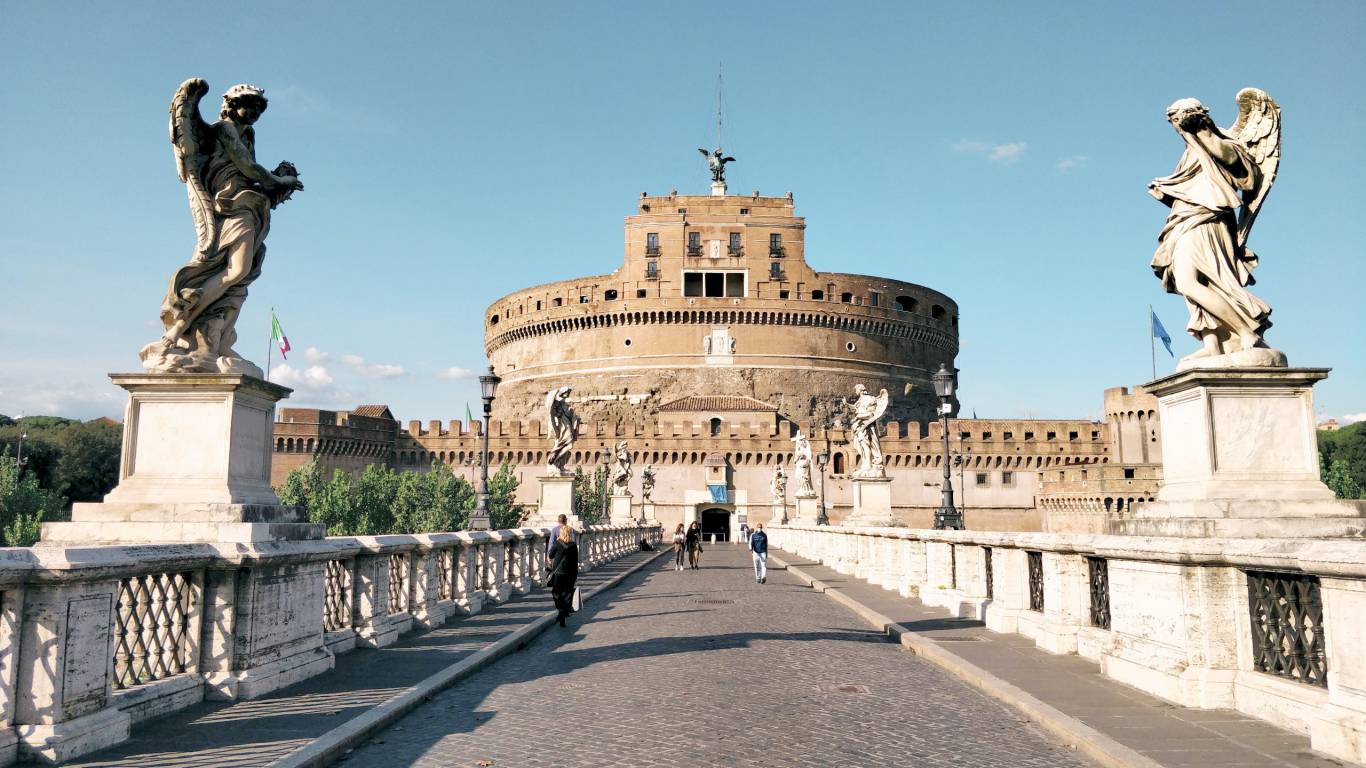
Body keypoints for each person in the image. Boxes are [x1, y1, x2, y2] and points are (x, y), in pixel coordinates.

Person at [546, 524, 579, 627]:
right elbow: (576, 560)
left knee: (556, 592)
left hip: (559, 573)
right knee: (568, 593)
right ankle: (563, 613)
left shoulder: (557, 543)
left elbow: (550, 555)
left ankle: (561, 611)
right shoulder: (573, 545)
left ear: (561, 533)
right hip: (571, 573)